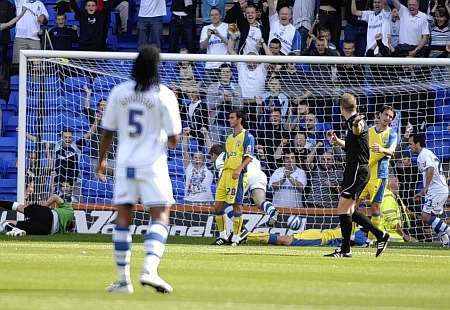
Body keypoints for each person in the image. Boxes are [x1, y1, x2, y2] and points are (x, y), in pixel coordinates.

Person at [96, 46, 182, 294]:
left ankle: (123, 280)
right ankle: (149, 270)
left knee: (123, 218)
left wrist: (102, 160)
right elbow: (175, 140)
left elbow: (107, 132)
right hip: (153, 164)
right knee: (161, 215)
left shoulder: (119, 93)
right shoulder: (165, 95)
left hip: (124, 164)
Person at [325, 93, 389, 258]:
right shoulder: (353, 122)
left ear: (341, 108)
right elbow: (354, 145)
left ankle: (345, 249)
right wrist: (338, 141)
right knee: (349, 210)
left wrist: (355, 124)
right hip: (357, 170)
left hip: (356, 171)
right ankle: (380, 235)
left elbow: (358, 128)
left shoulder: (356, 121)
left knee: (343, 209)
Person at [210, 143, 279, 227]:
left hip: (244, 175)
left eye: (211, 156)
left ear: (214, 154)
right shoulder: (244, 153)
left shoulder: (221, 157)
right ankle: (272, 210)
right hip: (259, 174)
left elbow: (223, 174)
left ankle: (241, 228)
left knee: (224, 203)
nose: (212, 159)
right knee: (260, 202)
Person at [213, 109, 255, 246]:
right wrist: (221, 175)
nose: (229, 120)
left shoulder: (247, 136)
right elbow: (226, 157)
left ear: (239, 119)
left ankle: (237, 236)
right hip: (225, 174)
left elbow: (249, 157)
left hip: (237, 175)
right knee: (218, 206)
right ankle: (223, 236)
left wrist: (239, 169)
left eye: (232, 118)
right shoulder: (229, 138)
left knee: (237, 205)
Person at [358, 105, 397, 233]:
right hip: (365, 174)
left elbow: (391, 151)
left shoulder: (392, 133)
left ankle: (373, 239)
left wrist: (382, 149)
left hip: (380, 175)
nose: (388, 118)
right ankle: (350, 237)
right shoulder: (369, 131)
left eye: (390, 117)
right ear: (379, 114)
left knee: (375, 208)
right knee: (352, 205)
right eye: (386, 114)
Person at [409, 133, 450, 246]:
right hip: (440, 189)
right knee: (432, 218)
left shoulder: (423, 155)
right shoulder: (427, 154)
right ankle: (446, 241)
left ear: (417, 144)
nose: (410, 146)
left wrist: (425, 188)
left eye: (411, 144)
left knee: (425, 216)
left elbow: (430, 169)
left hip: (436, 190)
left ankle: (448, 231)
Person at [0, 193, 74, 236]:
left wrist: (43, 207)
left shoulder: (70, 211)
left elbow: (54, 197)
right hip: (45, 230)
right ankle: (16, 230)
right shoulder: (62, 232)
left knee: (19, 207)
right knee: (6, 222)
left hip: (48, 214)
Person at [181, 128, 214, 203]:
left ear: (204, 159)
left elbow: (211, 152)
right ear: (192, 159)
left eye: (200, 157)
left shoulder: (209, 168)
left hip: (206, 201)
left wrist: (206, 135)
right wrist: (185, 135)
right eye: (195, 157)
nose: (197, 159)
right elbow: (184, 151)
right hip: (189, 201)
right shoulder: (189, 167)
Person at [12, 0, 48, 65]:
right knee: (17, 66)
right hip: (20, 37)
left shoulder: (40, 4)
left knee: (37, 66)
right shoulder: (19, 1)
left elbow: (46, 20)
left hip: (35, 39)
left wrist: (43, 17)